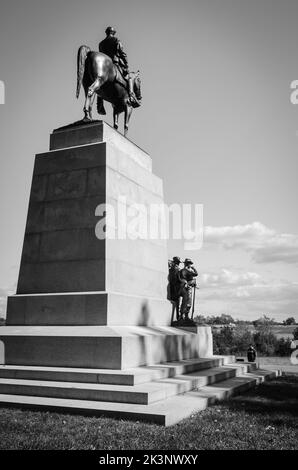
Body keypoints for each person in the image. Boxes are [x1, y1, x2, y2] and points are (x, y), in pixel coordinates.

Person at [99, 26, 136, 102]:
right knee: (129, 76)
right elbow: (121, 52)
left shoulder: (101, 43)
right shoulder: (116, 40)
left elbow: (101, 55)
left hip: (104, 65)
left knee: (99, 82)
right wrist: (126, 63)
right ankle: (131, 95)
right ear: (113, 33)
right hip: (115, 62)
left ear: (106, 33)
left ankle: (99, 103)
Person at [168, 256, 182, 323]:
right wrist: (183, 281)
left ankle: (176, 317)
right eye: (178, 262)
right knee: (177, 303)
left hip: (172, 286)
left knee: (176, 303)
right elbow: (177, 278)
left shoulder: (171, 268)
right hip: (176, 287)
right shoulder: (176, 268)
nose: (178, 263)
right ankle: (177, 318)